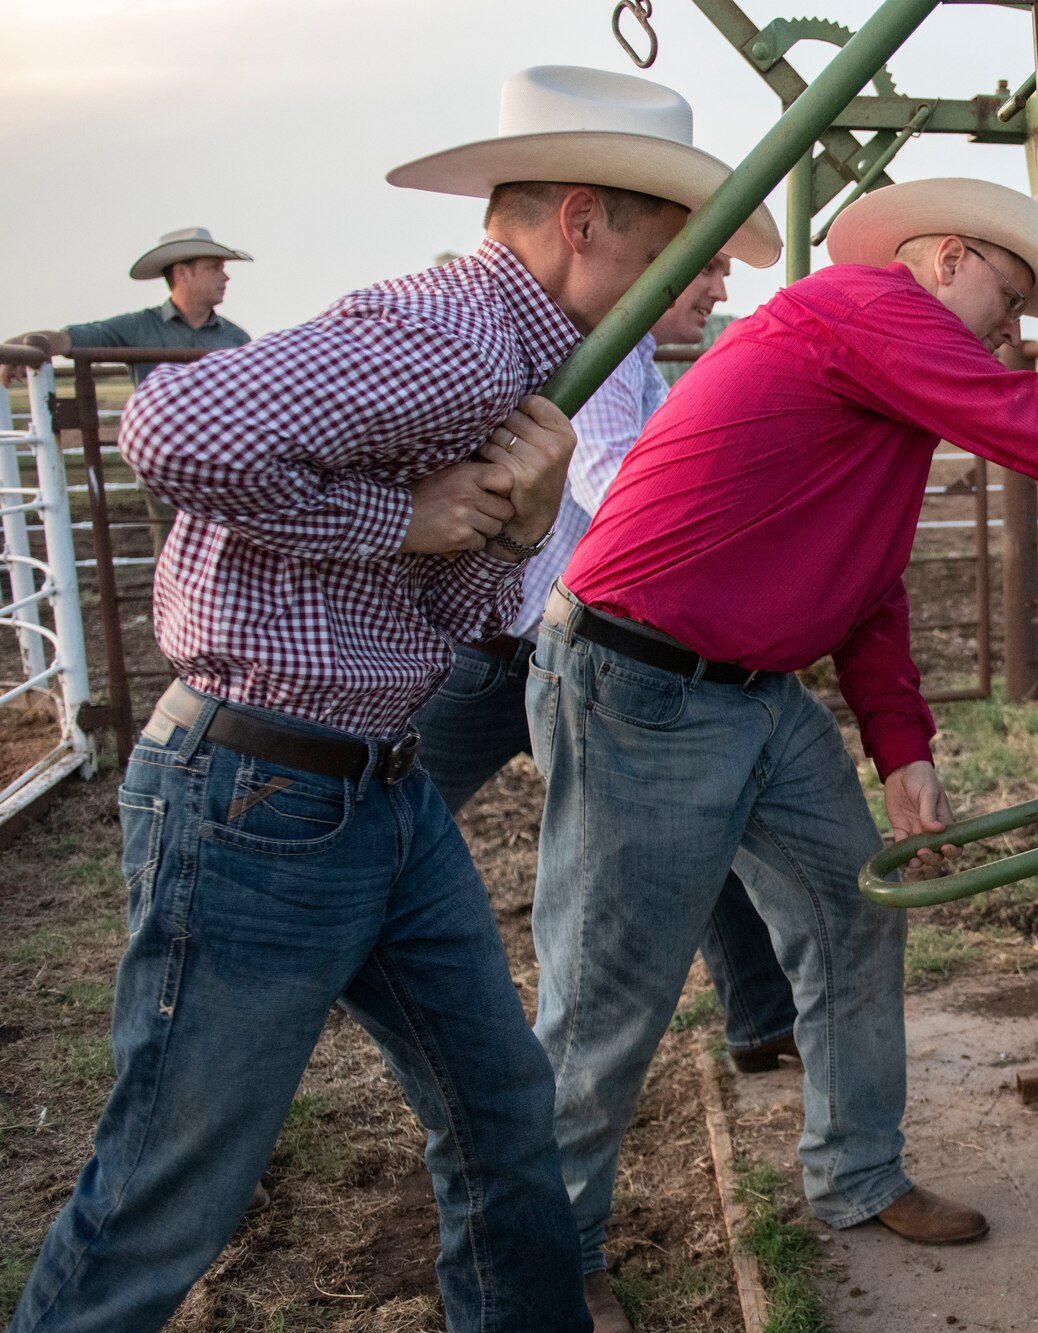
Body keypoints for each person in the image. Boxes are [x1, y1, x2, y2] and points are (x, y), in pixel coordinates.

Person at [4, 65, 778, 1333]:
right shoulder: (460, 335)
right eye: (665, 247)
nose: (671, 291)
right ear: (582, 220)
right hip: (261, 790)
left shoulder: (532, 363)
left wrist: (501, 527)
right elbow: (171, 425)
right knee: (168, 1189)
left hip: (368, 785)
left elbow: (461, 614)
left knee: (499, 1107)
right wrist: (405, 515)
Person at [528, 177, 1038, 1291]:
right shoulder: (863, 309)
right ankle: (541, 1268)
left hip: (752, 691)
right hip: (641, 681)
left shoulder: (879, 376)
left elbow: (867, 584)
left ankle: (855, 1169)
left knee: (853, 915)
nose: (1011, 331)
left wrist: (902, 750)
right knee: (608, 994)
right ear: (947, 256)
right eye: (1008, 296)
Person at [412, 253, 800, 1076]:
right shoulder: (603, 350)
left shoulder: (632, 356)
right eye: (710, 267)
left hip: (560, 644)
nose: (720, 288)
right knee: (386, 817)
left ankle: (764, 1014)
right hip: (514, 646)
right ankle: (313, 964)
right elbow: (624, 487)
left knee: (695, 818)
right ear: (658, 264)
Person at [2, 228, 252, 388]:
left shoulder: (237, 337)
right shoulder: (138, 327)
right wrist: (15, 349)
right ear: (182, 273)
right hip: (161, 460)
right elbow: (68, 339)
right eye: (214, 268)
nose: (226, 277)